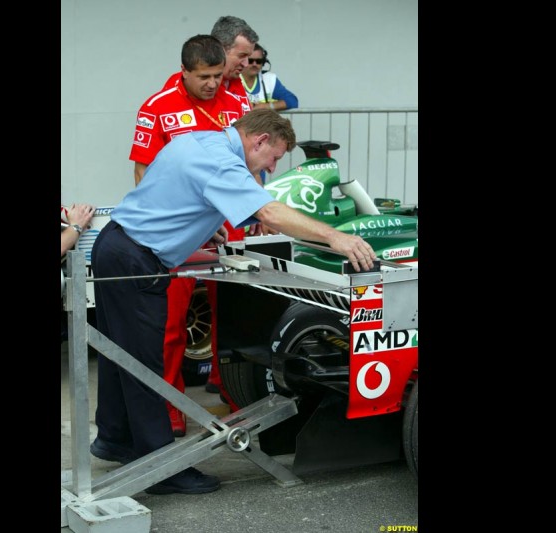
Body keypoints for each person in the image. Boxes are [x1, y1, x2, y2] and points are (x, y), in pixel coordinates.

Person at [89, 108, 377, 496]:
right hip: (136, 258)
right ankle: (162, 468)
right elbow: (270, 210)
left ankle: (114, 436)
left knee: (118, 354)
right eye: (273, 158)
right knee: (144, 364)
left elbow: (178, 190)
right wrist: (335, 238)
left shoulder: (200, 139)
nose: (271, 169)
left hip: (117, 243)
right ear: (258, 140)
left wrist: (208, 225)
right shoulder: (222, 162)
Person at [126, 34, 247, 439]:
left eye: (218, 75)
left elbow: (250, 162)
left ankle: (236, 395)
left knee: (233, 315)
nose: (213, 84)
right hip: (180, 230)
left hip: (229, 225)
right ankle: (170, 405)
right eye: (204, 77)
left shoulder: (238, 102)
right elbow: (143, 173)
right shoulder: (158, 107)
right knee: (172, 323)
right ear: (185, 72)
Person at [241, 44, 299, 112]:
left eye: (258, 61)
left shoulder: (269, 79)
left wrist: (265, 106)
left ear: (264, 62)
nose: (254, 64)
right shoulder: (232, 79)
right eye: (250, 61)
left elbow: (292, 101)